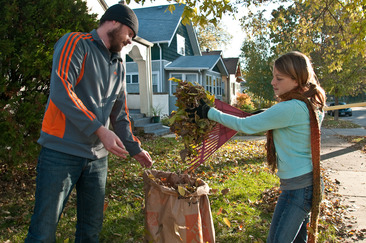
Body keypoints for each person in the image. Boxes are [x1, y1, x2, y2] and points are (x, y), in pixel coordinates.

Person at [25, 4, 153, 242]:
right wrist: (99, 129)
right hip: (60, 152)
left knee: (90, 232)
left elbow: (120, 114)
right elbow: (61, 90)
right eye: (130, 34)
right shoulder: (76, 43)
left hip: (97, 160)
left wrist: (135, 148)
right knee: (42, 232)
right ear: (114, 22)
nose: (130, 42)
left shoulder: (119, 65)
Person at [188, 51, 326, 243]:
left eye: (279, 78)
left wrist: (208, 112)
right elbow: (289, 122)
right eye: (273, 77)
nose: (273, 82)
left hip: (298, 189)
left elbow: (245, 126)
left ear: (296, 80)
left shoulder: (290, 107)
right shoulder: (309, 103)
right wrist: (265, 114)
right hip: (306, 184)